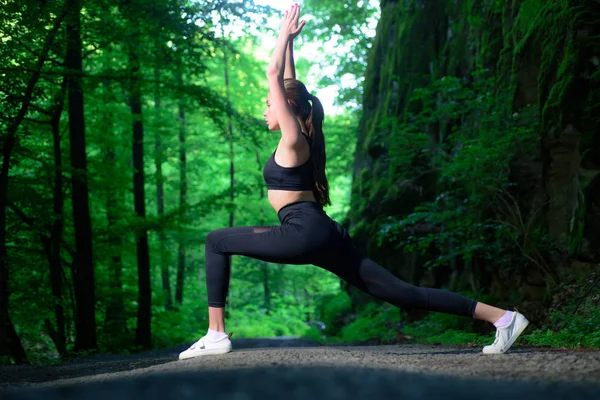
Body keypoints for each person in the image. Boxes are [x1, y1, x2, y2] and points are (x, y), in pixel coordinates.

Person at [179, 3, 529, 360]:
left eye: (269, 104)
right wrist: (291, 46)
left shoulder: (294, 140)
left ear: (285, 105)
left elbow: (274, 75)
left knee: (216, 241)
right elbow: (287, 81)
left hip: (303, 232)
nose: (265, 109)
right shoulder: (305, 133)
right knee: (400, 291)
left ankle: (216, 334)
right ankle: (503, 318)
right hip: (323, 233)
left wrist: (281, 37)